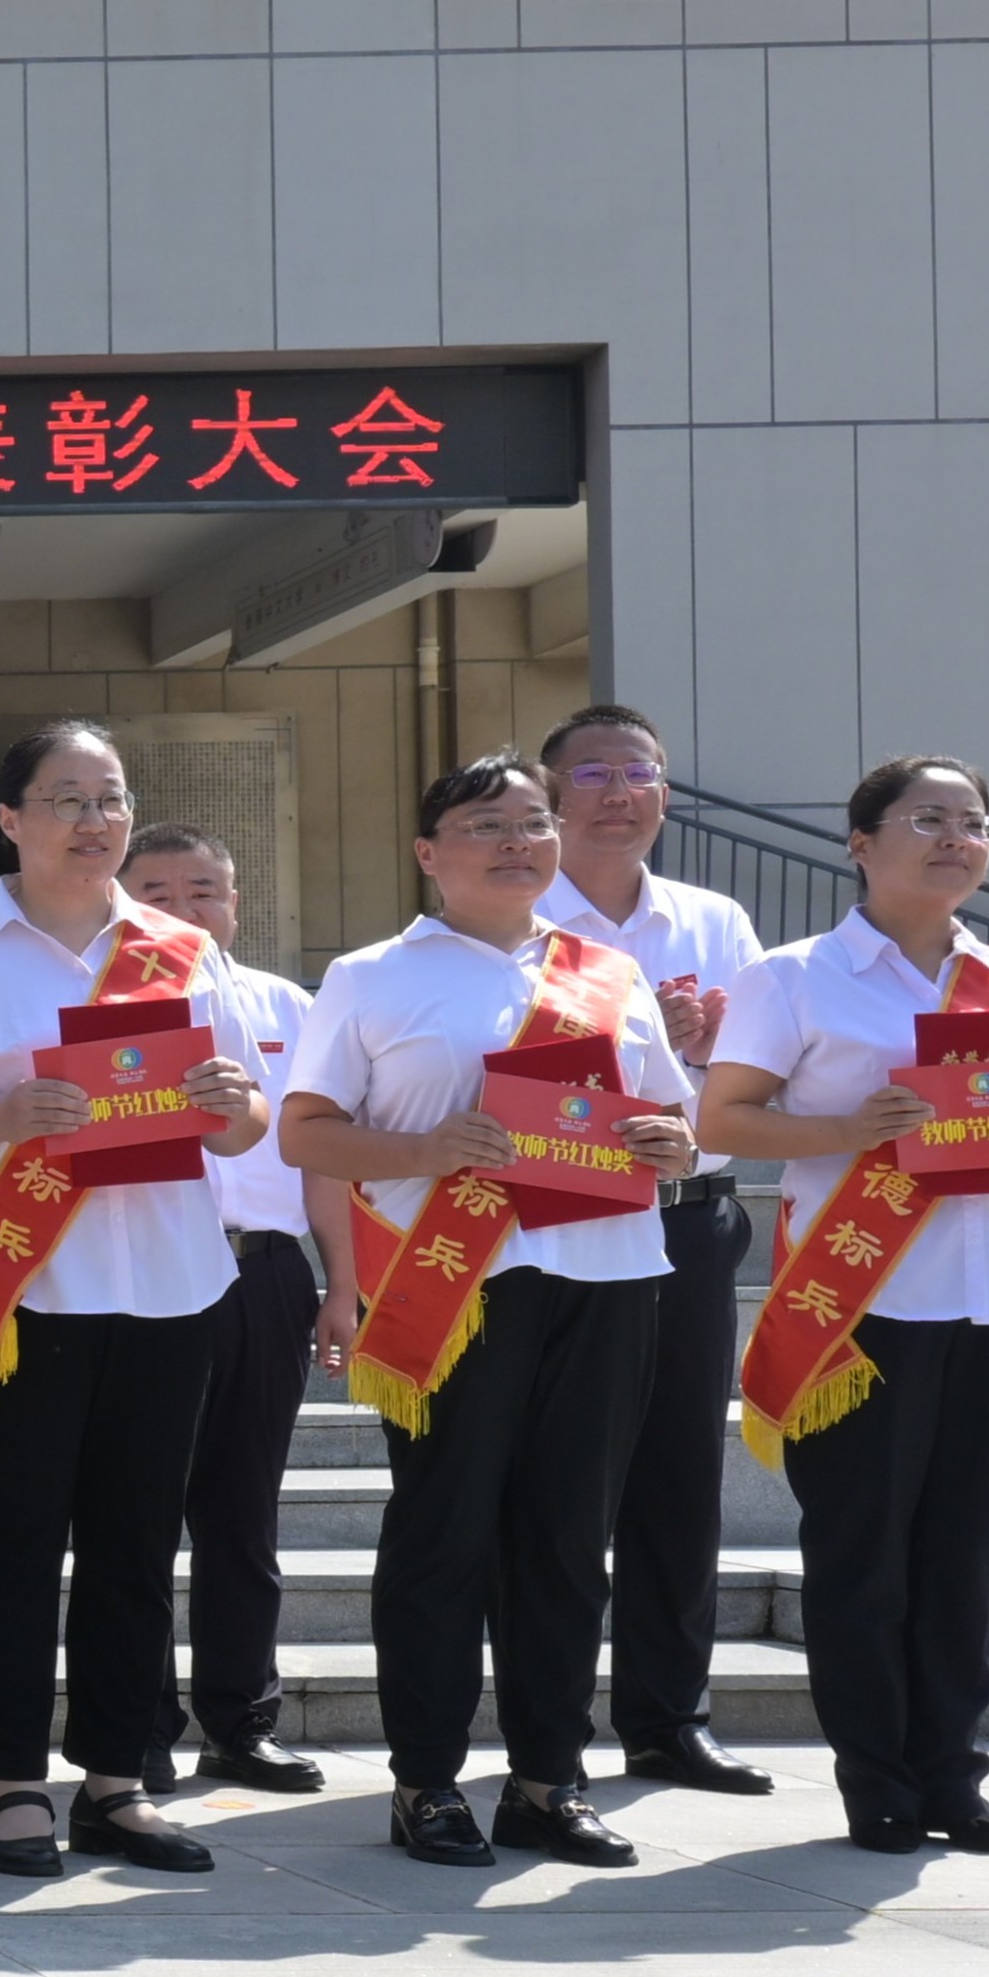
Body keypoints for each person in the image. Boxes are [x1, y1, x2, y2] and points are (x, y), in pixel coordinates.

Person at [283, 754, 700, 1870]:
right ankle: (426, 1780)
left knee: (568, 1539)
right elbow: (306, 1133)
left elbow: (672, 1120)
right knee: (445, 1531)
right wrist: (425, 1149)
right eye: (486, 825)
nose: (518, 842)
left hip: (606, 1277)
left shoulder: (608, 972)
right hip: (454, 1288)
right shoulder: (372, 976)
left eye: (533, 823)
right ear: (430, 853)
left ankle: (547, 1780)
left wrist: (671, 1145)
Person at [0, 720, 263, 1878]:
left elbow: (245, 1123)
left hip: (172, 1286)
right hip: (25, 1295)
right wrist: (1, 1118)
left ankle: (117, 1781)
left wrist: (227, 1102)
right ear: (11, 819)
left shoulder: (183, 949)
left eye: (112, 798)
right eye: (69, 799)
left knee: (137, 1546)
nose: (96, 821)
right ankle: (15, 1784)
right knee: (15, 1542)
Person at [701, 755, 989, 1855]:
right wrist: (850, 1131)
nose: (957, 838)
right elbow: (722, 1120)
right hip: (860, 1307)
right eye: (929, 818)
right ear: (861, 842)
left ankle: (952, 1778)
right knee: (862, 1551)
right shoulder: (795, 977)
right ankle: (876, 1779)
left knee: (969, 1552)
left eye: (976, 823)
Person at [536, 702, 778, 1796]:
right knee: (561, 1480)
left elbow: (766, 1072)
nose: (619, 793)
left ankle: (670, 1717)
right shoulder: (514, 915)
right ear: (551, 795)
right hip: (554, 1222)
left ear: (667, 798)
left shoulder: (713, 920)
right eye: (594, 773)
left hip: (686, 1217)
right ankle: (546, 1731)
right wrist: (649, 1055)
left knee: (679, 1475)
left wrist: (711, 1053)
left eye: (639, 773)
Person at [119, 822, 334, 1797]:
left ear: (236, 903)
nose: (182, 910)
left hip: (265, 1273)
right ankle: (137, 1725)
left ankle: (242, 1721)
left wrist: (342, 1284)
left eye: (201, 890)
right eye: (155, 893)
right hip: (146, 1269)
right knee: (136, 1512)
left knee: (243, 1511)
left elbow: (320, 1157)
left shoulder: (289, 1005)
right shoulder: (97, 1012)